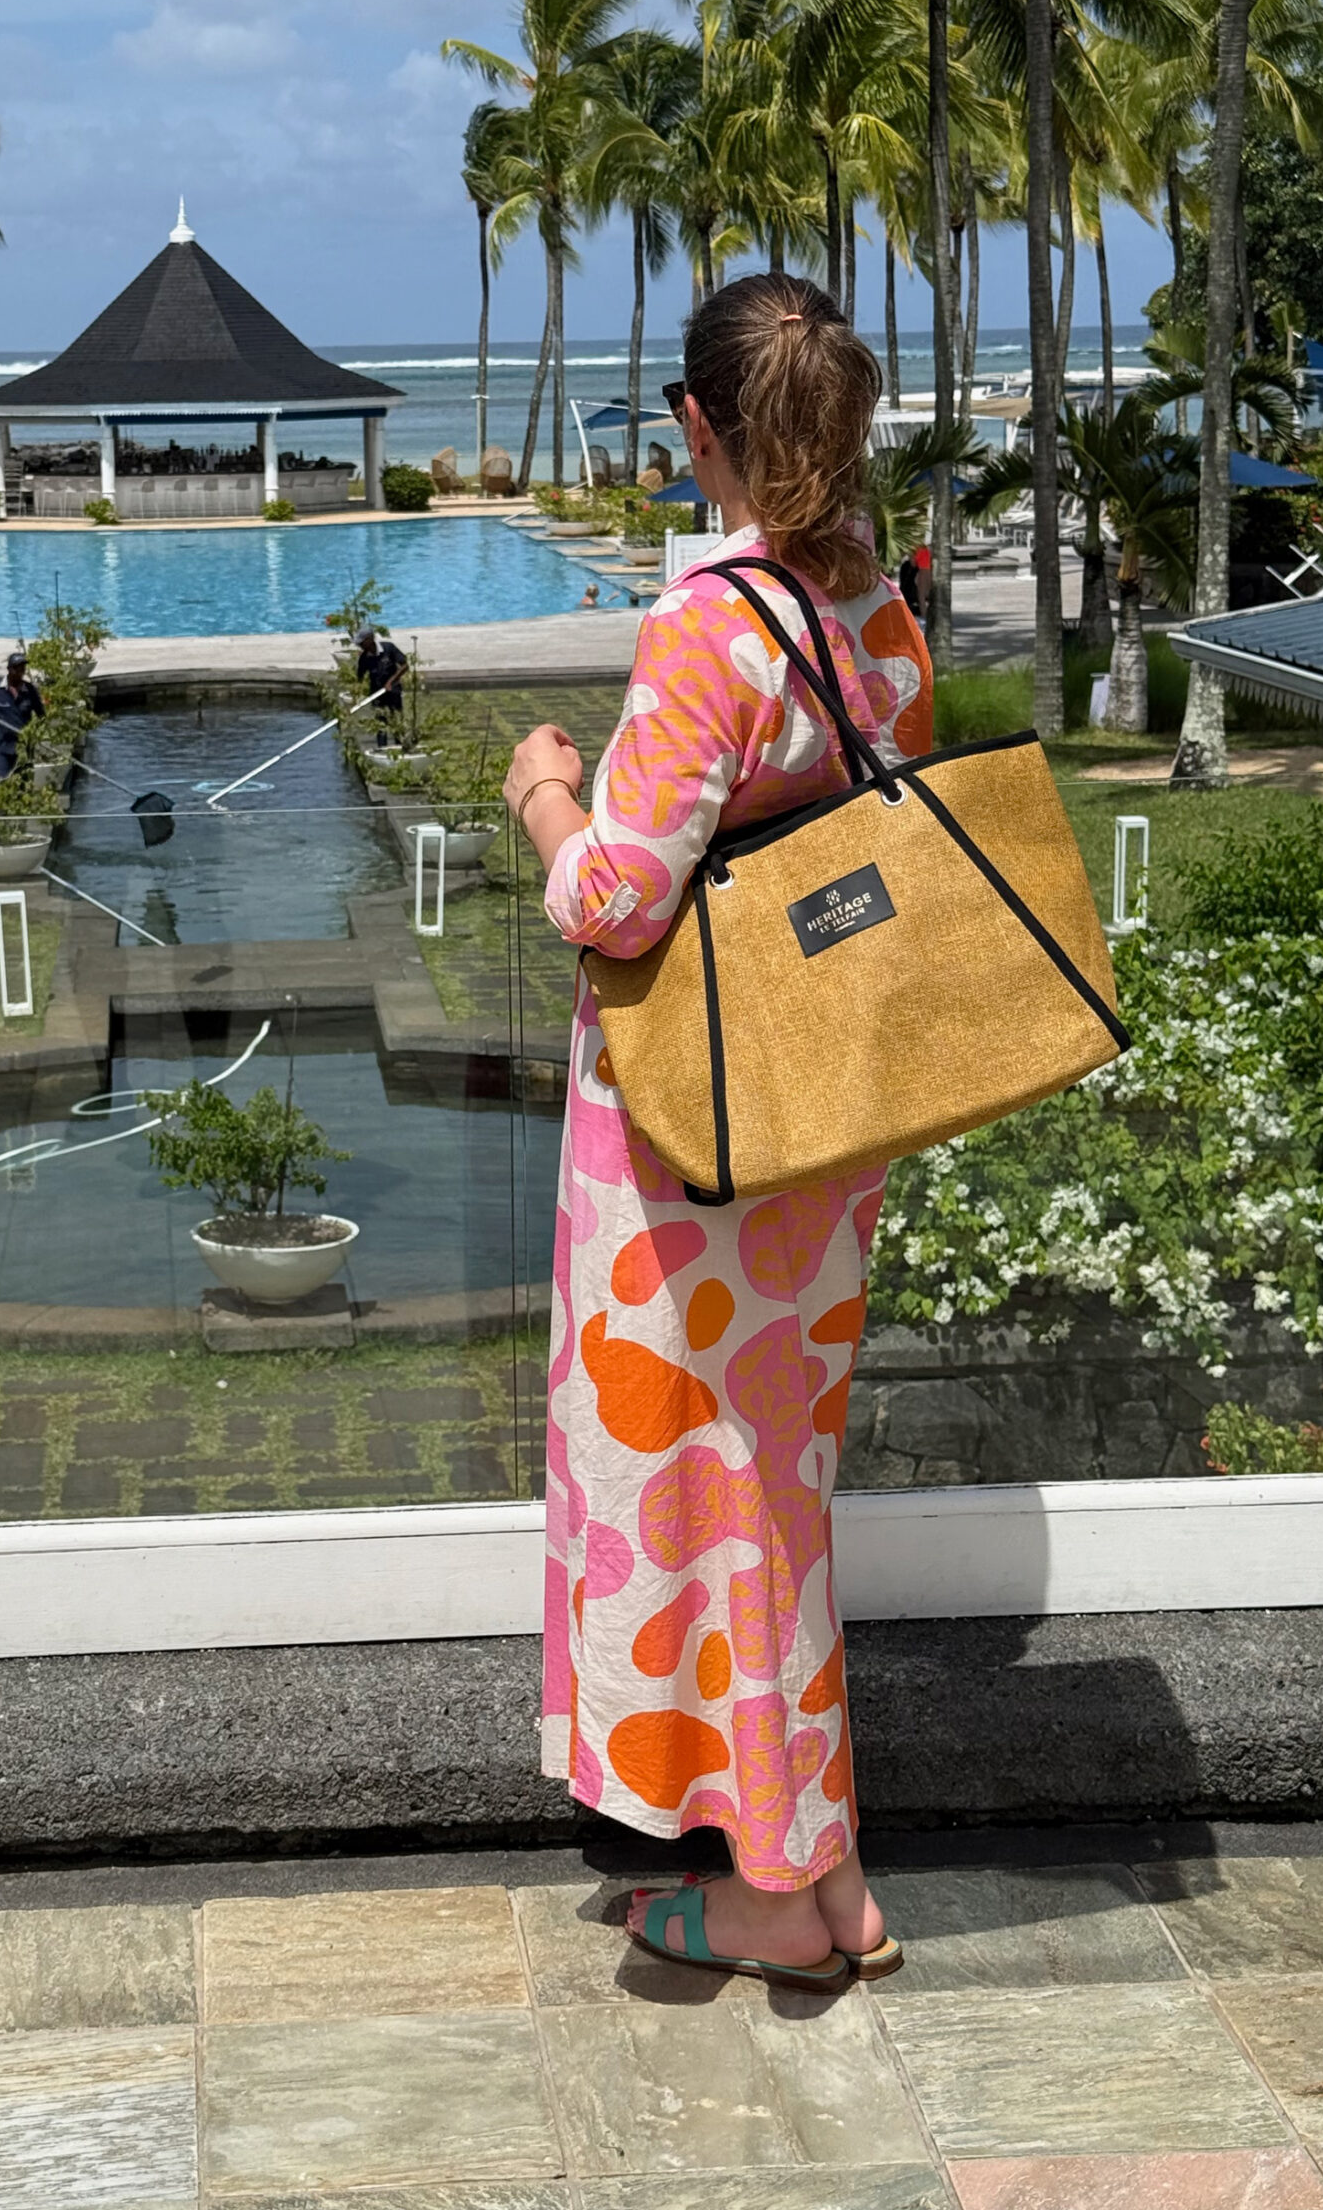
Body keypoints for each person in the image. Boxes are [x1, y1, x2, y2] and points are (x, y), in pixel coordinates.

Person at [504, 273, 932, 1992]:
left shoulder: (712, 628)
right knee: (775, 1487)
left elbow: (615, 899)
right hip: (829, 1118)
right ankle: (823, 1871)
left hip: (697, 1138)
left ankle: (770, 1894)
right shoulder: (879, 613)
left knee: (705, 1486)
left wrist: (545, 790)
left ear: (697, 426)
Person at [0, 652, 47, 781]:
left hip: (24, 747)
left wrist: (33, 733)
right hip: (2, 745)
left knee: (24, 785)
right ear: (9, 669)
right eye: (17, 668)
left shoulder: (30, 690)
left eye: (22, 668)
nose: (20, 671)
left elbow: (42, 716)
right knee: (1, 783)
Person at [354, 624, 407, 746]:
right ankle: (382, 749)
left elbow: (405, 665)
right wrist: (357, 694)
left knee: (396, 721)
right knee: (380, 725)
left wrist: (391, 681)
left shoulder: (388, 648)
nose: (360, 645)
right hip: (377, 695)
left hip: (393, 691)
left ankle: (400, 747)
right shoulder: (364, 658)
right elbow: (359, 678)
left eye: (362, 643)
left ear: (370, 639)